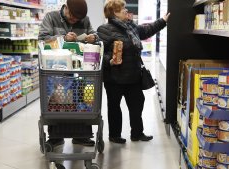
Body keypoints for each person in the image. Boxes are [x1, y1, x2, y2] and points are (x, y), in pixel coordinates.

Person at [97, 0, 170, 144]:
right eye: (122, 9)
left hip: (134, 76)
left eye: (124, 7)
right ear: (114, 13)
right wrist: (109, 60)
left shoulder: (131, 27)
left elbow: (147, 30)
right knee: (114, 107)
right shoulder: (104, 29)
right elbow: (100, 53)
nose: (125, 10)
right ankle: (115, 135)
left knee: (137, 104)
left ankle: (137, 133)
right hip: (114, 78)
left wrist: (163, 21)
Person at [38, 0, 97, 147]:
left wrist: (93, 38)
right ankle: (55, 136)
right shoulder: (51, 17)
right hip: (56, 70)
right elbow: (42, 39)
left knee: (81, 99)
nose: (75, 20)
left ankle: (81, 136)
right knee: (57, 100)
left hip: (79, 70)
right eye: (72, 16)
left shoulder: (85, 20)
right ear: (66, 7)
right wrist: (63, 38)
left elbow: (95, 34)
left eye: (78, 19)